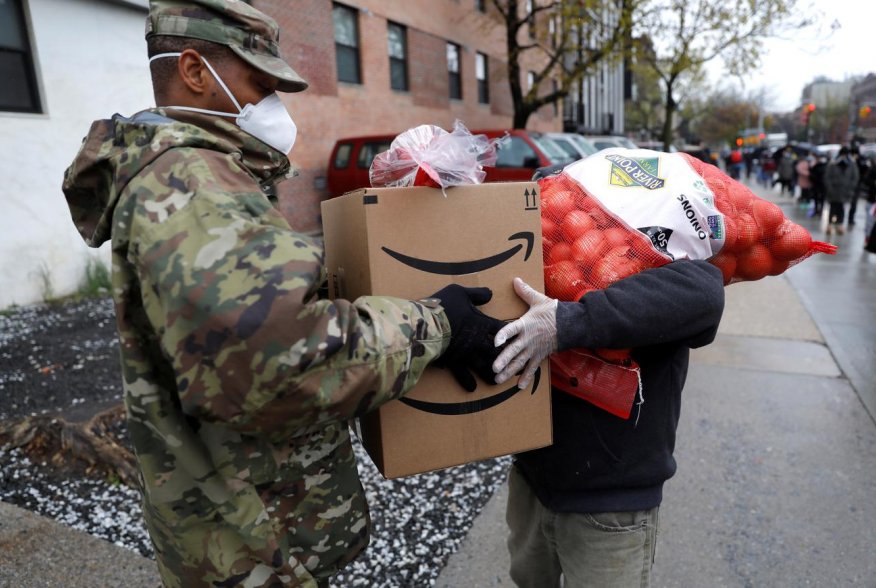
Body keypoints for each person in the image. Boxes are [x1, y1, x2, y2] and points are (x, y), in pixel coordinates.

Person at [62, 1, 504, 586]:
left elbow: (233, 323)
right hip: (251, 551)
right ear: (195, 72)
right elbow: (278, 362)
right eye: (261, 83)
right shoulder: (193, 183)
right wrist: (435, 325)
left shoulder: (192, 174)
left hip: (239, 530)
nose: (275, 105)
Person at [491, 252, 725, 583]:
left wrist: (568, 322)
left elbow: (705, 294)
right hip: (532, 480)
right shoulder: (561, 207)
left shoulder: (661, 225)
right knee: (527, 578)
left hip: (613, 502)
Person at [824, 146, 860, 235]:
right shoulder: (833, 163)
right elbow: (827, 177)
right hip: (833, 191)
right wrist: (829, 187)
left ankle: (839, 224)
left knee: (841, 208)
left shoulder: (852, 164)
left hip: (845, 191)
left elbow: (855, 178)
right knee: (832, 208)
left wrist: (850, 188)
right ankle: (830, 225)